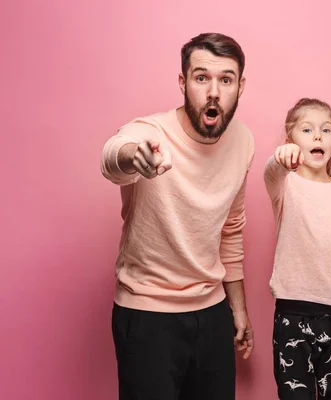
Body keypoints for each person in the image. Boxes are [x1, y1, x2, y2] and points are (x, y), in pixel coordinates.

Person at [100, 32, 254, 400]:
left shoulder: (243, 141)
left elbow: (230, 230)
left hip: (212, 312)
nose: (214, 91)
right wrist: (134, 156)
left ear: (240, 86)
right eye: (202, 78)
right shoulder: (150, 133)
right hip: (147, 312)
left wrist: (239, 309)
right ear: (183, 83)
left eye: (226, 79)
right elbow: (112, 157)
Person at [264, 98, 331, 399]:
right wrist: (280, 158)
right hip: (293, 313)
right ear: (291, 139)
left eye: (326, 130)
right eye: (307, 130)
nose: (317, 136)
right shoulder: (285, 185)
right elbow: (270, 173)